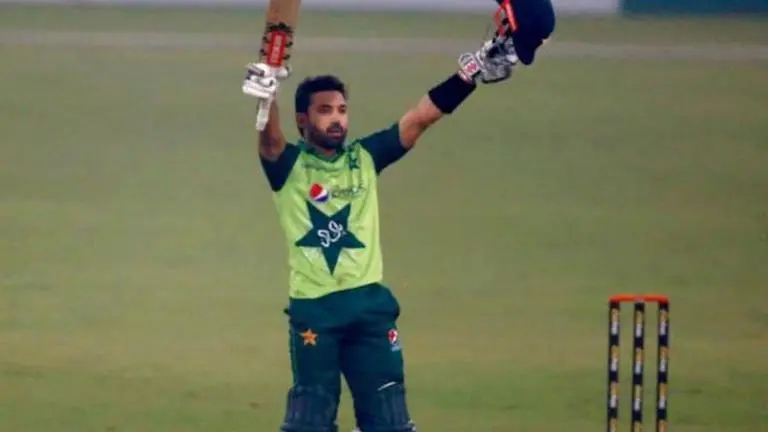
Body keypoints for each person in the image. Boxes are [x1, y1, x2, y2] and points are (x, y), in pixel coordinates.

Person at [240, 4, 553, 430]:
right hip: (316, 315)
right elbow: (270, 143)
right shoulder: (290, 167)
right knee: (309, 421)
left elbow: (422, 117)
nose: (336, 119)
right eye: (324, 111)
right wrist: (268, 93)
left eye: (341, 110)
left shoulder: (365, 158)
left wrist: (473, 69)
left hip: (370, 310)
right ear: (303, 120)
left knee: (388, 421)